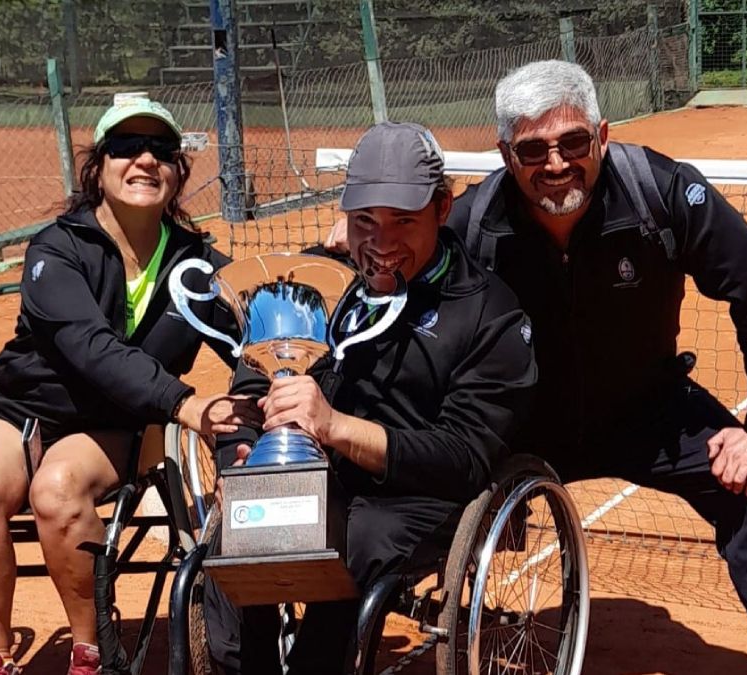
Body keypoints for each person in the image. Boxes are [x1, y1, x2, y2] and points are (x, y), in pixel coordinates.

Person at [323, 60, 747, 674]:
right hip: (522, 425)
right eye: (533, 150)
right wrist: (359, 234)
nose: (556, 163)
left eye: (573, 142)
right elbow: (399, 254)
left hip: (648, 410)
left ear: (602, 136)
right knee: (410, 488)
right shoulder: (475, 221)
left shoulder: (661, 194)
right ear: (507, 156)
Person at [203, 122, 538, 674]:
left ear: (443, 208)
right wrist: (239, 458)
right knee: (233, 541)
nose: (381, 244)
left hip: (415, 496)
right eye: (365, 221)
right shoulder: (313, 281)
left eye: (402, 221)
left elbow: (463, 456)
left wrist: (335, 427)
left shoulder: (490, 314)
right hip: (317, 479)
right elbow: (253, 384)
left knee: (353, 545)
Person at [0, 97, 260, 675]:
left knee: (58, 490)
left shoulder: (198, 267)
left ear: (178, 169)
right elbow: (88, 345)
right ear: (99, 166)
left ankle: (91, 655)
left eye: (161, 150)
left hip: (118, 423)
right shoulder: (56, 249)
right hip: (21, 409)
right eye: (126, 147)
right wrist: (185, 403)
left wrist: (248, 405)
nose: (145, 160)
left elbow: (256, 338)